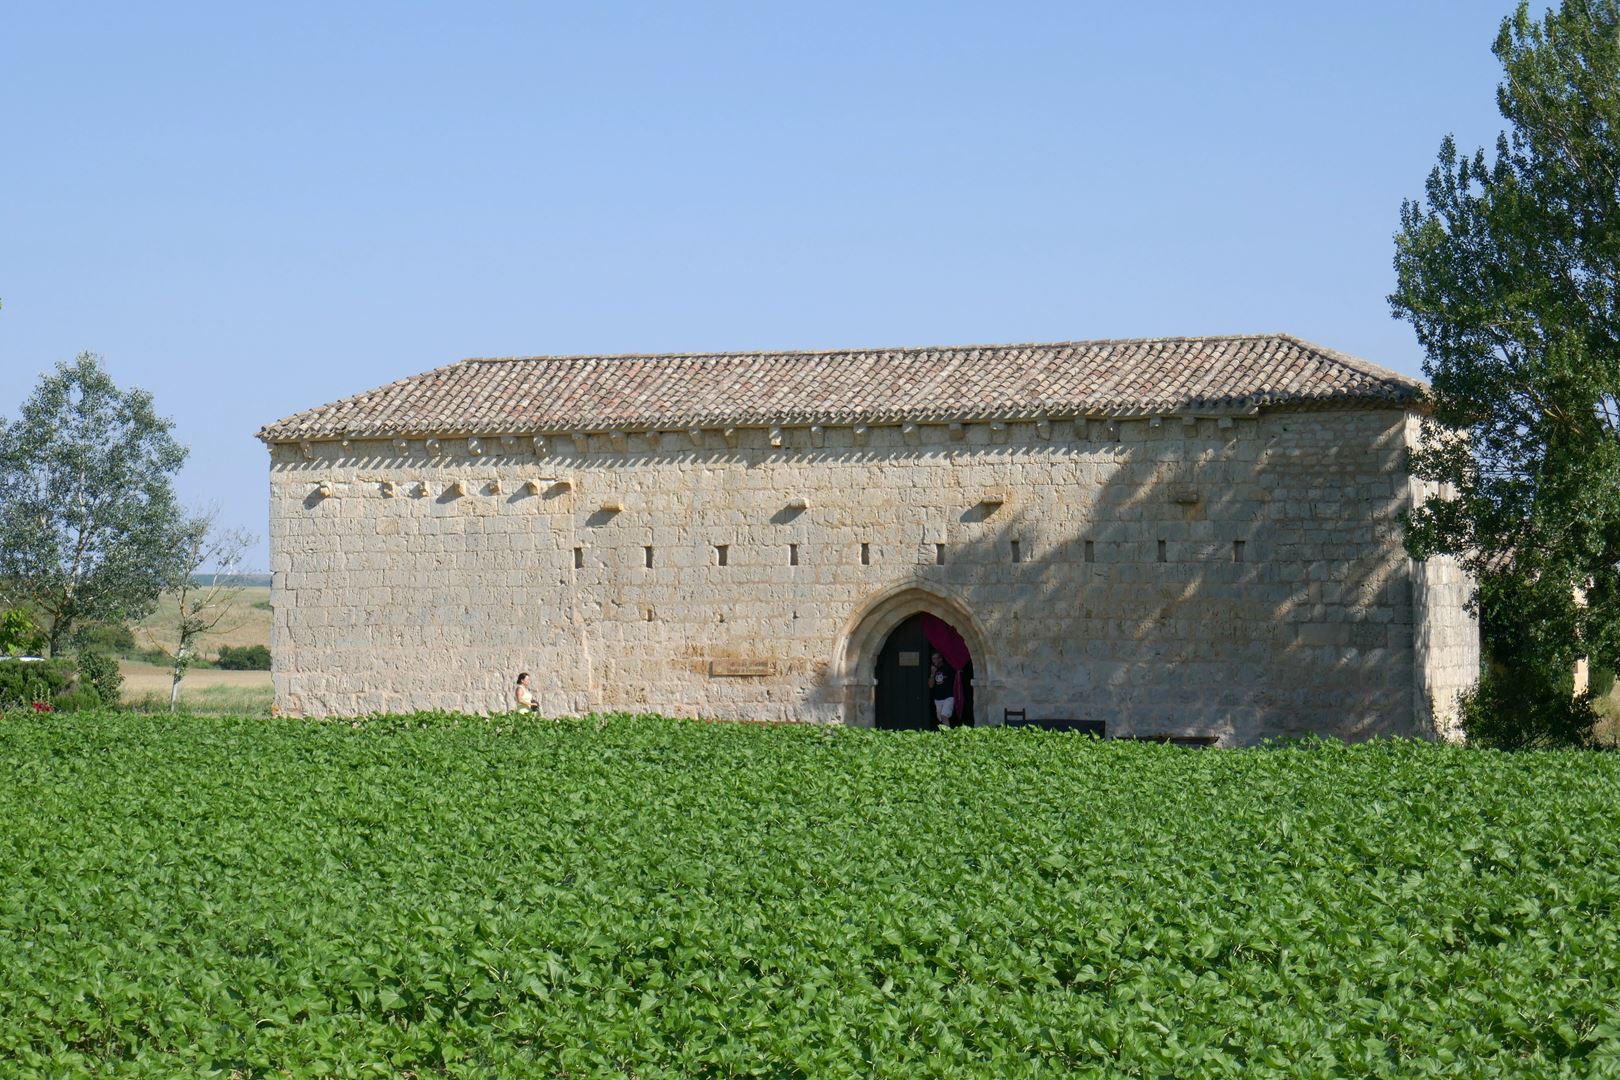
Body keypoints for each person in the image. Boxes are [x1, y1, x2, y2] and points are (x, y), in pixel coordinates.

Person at [928, 651, 955, 728]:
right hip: (938, 698)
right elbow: (930, 685)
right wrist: (932, 674)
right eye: (933, 659)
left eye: (937, 658)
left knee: (944, 716)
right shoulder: (932, 669)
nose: (935, 660)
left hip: (948, 696)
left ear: (941, 659)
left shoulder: (948, 667)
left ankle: (948, 736)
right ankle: (945, 735)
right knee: (941, 719)